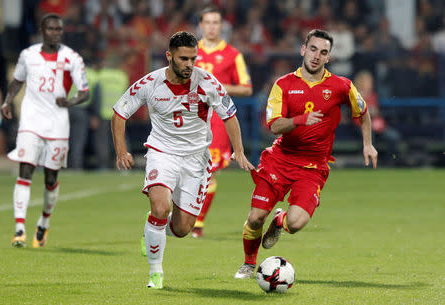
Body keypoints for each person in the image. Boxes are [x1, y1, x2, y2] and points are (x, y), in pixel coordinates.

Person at [111, 31, 254, 289]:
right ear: (169, 56)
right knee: (160, 208)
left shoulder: (207, 82)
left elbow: (230, 115)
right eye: (183, 58)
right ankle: (156, 275)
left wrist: (239, 151)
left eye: (193, 58)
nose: (189, 64)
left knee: (182, 228)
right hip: (162, 153)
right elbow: (119, 113)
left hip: (196, 159)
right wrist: (122, 151)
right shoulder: (150, 83)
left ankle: (153, 227)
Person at [234, 29, 378, 279]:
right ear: (303, 49)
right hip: (280, 159)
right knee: (256, 217)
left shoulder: (341, 86)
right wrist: (300, 120)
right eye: (313, 49)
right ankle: (248, 263)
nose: (316, 56)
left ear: (328, 58)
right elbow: (273, 125)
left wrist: (368, 143)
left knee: (297, 223)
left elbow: (363, 112)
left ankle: (280, 222)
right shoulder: (283, 84)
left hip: (313, 167)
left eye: (323, 52)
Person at [1, 13, 89, 248]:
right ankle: (19, 229)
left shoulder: (72, 58)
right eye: (51, 29)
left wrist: (69, 102)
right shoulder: (27, 56)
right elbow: (18, 80)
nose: (55, 33)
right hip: (31, 122)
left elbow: (84, 91)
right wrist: (8, 100)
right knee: (25, 171)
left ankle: (43, 223)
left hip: (58, 124)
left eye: (59, 29)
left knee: (51, 178)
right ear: (43, 30)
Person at [192, 7, 253, 238]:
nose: (211, 26)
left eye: (215, 22)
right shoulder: (189, 50)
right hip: (187, 117)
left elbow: (247, 88)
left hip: (215, 120)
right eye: (207, 22)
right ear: (200, 25)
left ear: (221, 26)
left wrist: (219, 86)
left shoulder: (232, 55)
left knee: (210, 172)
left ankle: (197, 223)